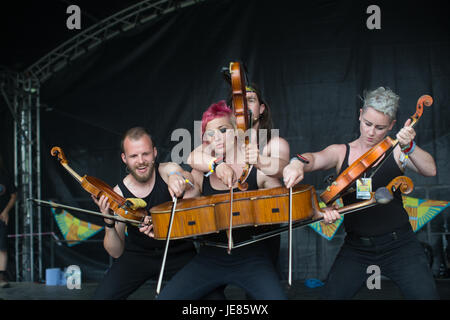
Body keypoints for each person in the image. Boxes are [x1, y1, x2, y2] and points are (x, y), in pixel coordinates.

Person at [283, 87, 439, 299]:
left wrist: (409, 146)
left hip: (400, 245)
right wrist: (296, 163)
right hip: (357, 248)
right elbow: (315, 158)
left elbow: (430, 170)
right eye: (367, 123)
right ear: (359, 115)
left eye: (380, 127)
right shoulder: (341, 152)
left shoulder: (397, 150)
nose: (371, 132)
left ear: (392, 126)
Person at [156, 101, 287, 300]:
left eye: (223, 130)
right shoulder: (202, 170)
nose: (216, 138)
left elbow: (283, 200)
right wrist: (178, 179)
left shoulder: (256, 169)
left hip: (251, 257)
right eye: (210, 134)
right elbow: (187, 179)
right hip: (211, 256)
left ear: (237, 131)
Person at [91, 127, 199, 299]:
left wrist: (177, 178)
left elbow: (189, 181)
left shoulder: (166, 170)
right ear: (124, 159)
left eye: (145, 154)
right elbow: (116, 252)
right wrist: (108, 221)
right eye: (134, 156)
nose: (141, 161)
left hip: (178, 251)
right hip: (138, 256)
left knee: (213, 298)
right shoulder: (118, 194)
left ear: (155, 153)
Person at [0, 154, 17, 289]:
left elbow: (13, 196)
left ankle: (1, 276)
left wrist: (6, 211)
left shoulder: (5, 177)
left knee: (2, 247)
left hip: (2, 217)